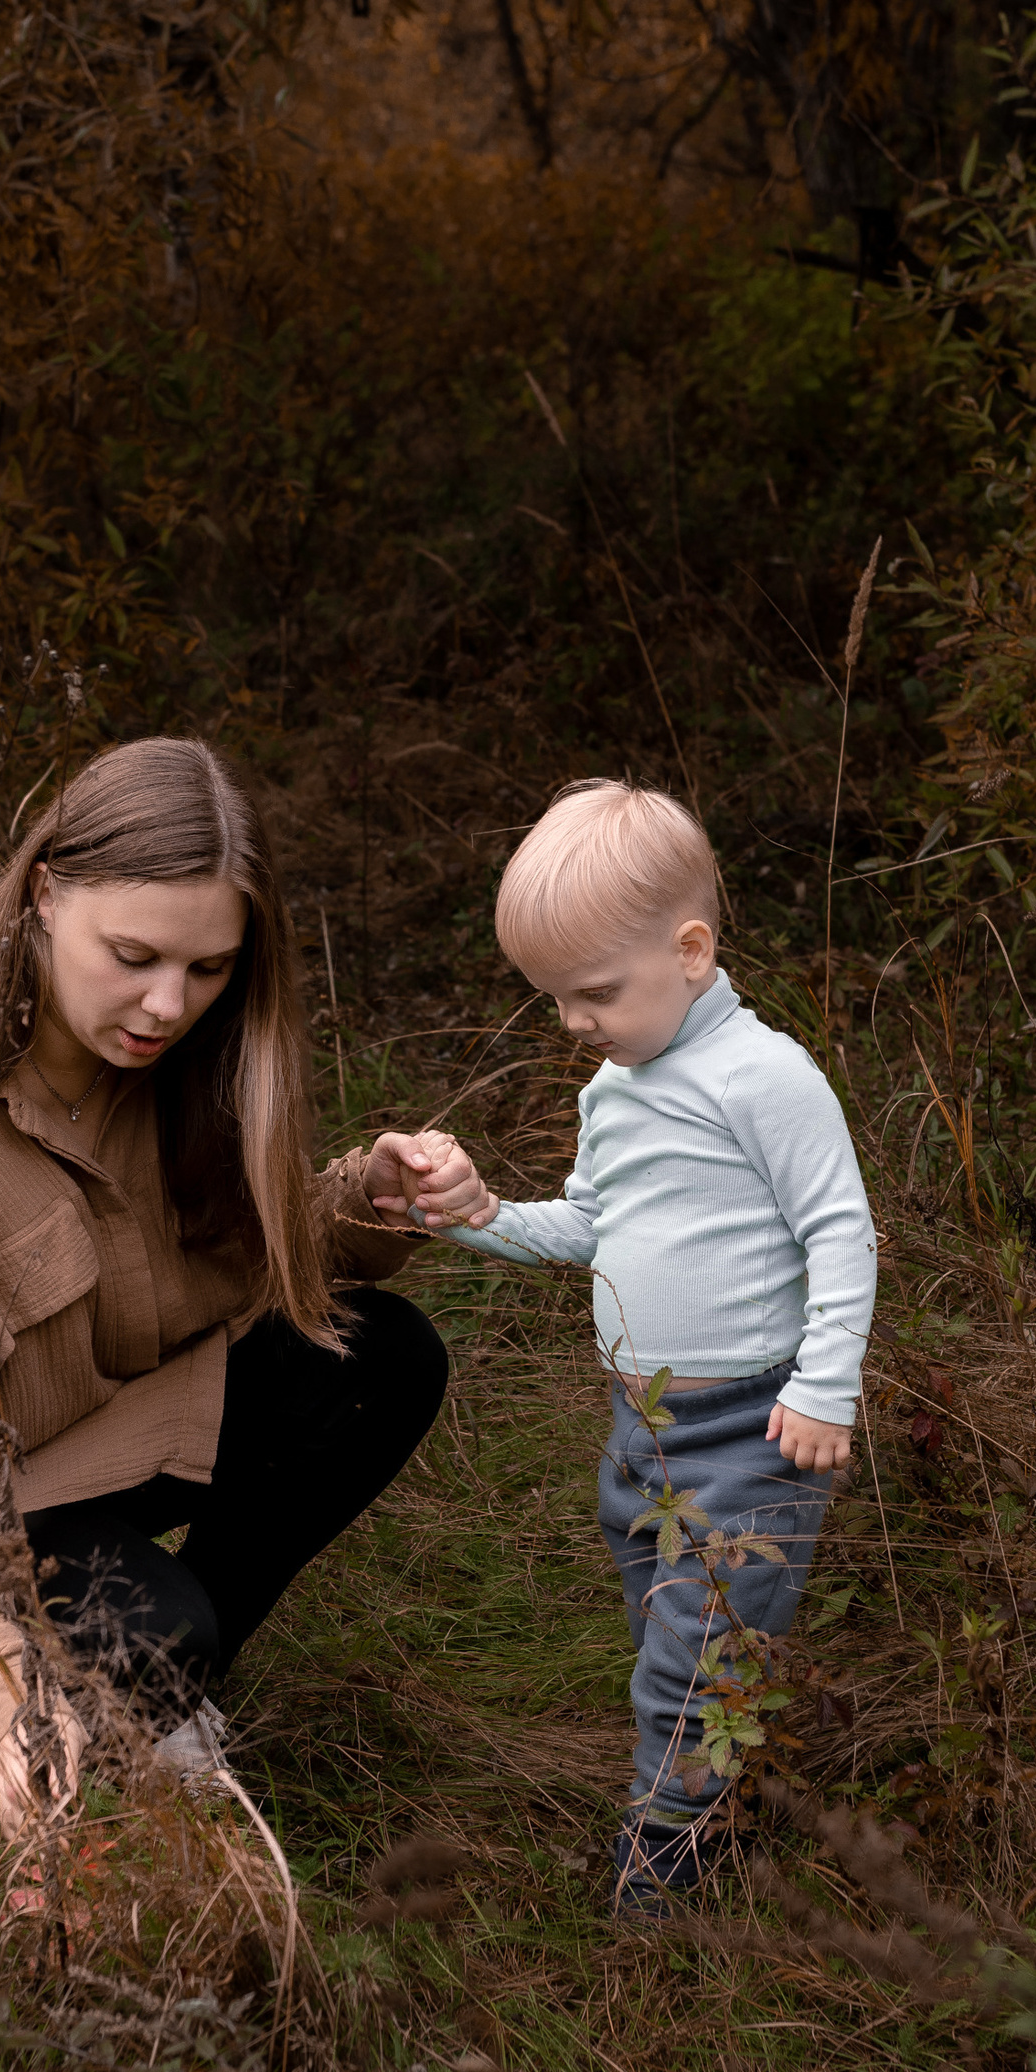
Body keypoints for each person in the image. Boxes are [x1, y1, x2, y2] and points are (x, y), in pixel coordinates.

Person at [0, 736, 451, 1867]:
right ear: (47, 895)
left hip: (59, 1440)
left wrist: (370, 1200)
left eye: (208, 969)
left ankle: (150, 1705)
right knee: (155, 1632)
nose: (169, 1002)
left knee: (380, 1359)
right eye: (135, 954)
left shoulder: (178, 1063)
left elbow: (222, 1263)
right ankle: (72, 1717)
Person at [379, 779, 877, 1915]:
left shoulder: (766, 1077)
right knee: (687, 1643)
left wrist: (823, 1387)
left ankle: (660, 1878)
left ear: (690, 949)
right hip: (643, 1431)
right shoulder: (617, 1087)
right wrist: (480, 1215)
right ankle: (729, 1802)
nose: (573, 1022)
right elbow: (589, 1224)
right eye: (554, 998)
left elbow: (841, 1231)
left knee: (690, 1662)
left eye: (594, 991)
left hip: (753, 1428)